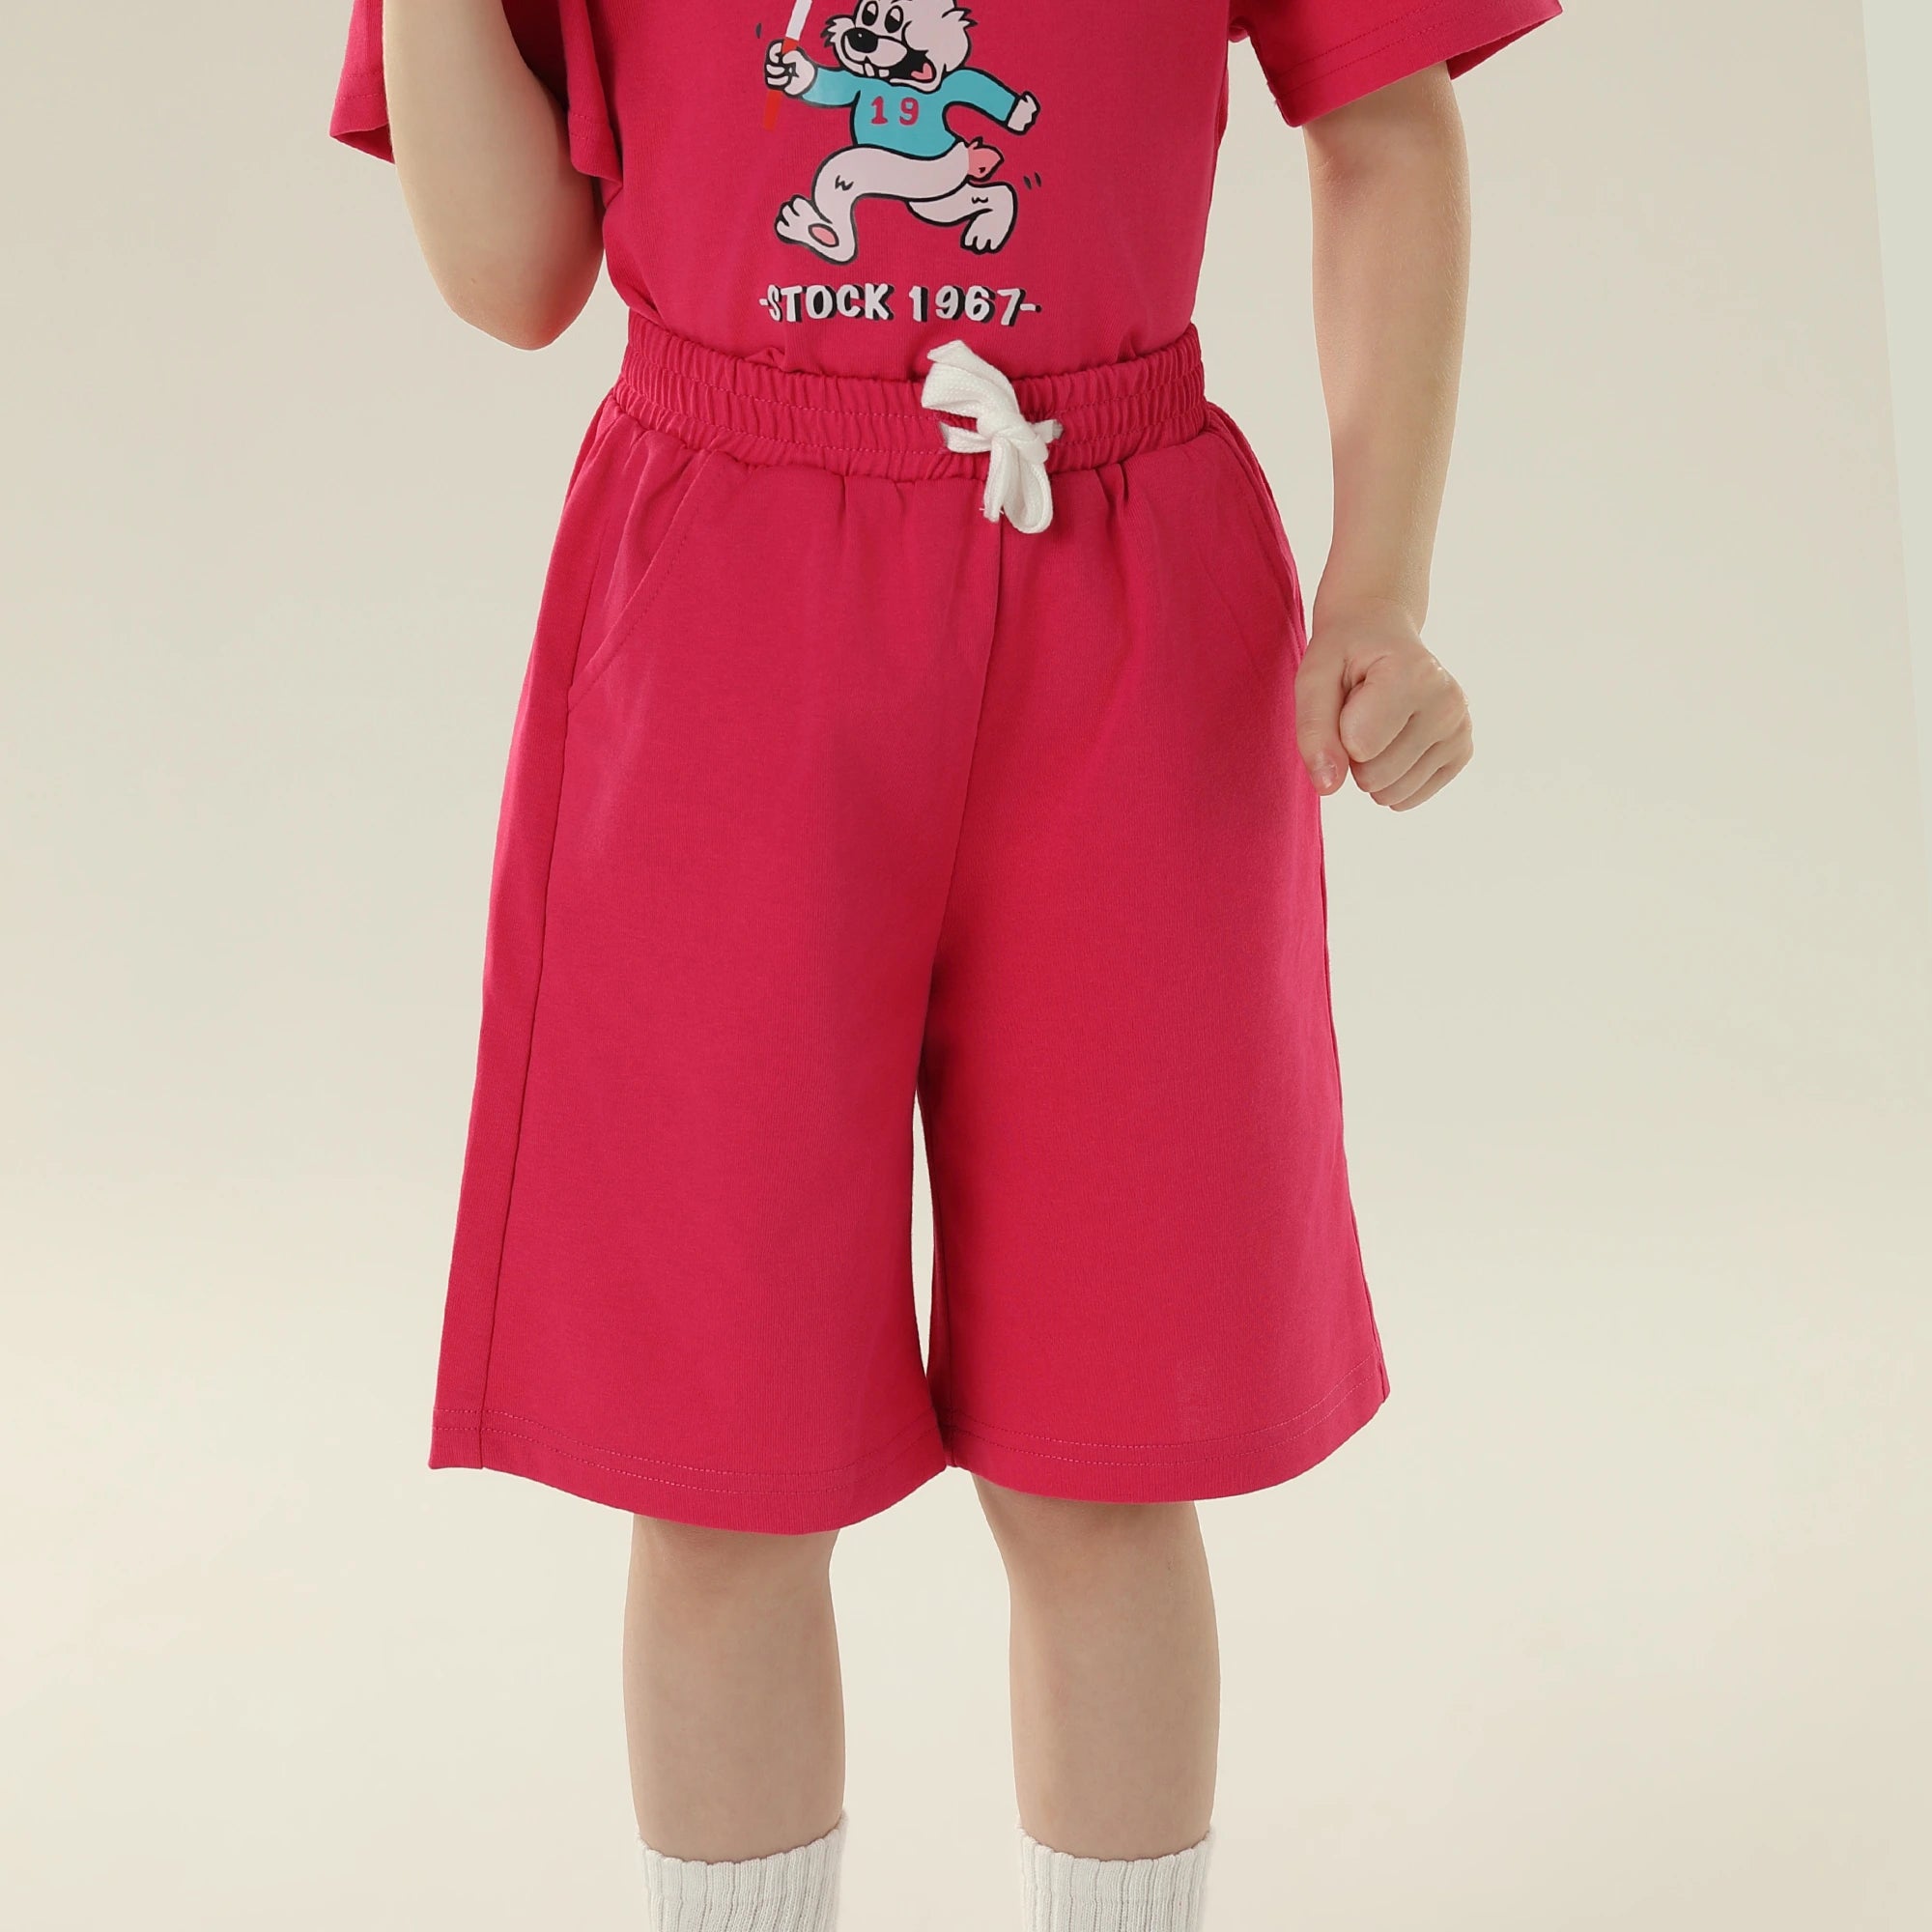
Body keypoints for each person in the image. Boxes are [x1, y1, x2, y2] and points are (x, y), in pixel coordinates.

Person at [330, 2, 1559, 1926]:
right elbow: (511, 279)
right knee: (717, 1464)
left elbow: (1384, 128)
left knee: (1107, 1452)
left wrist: (1379, 586)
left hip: (1125, 594)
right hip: (722, 610)